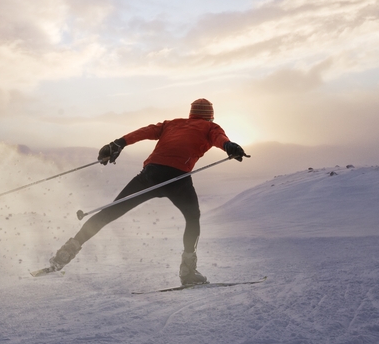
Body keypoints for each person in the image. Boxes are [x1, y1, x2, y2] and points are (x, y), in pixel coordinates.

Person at [47, 98, 247, 285]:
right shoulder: (211, 127)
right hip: (178, 179)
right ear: (210, 116)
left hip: (151, 175)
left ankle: (66, 253)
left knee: (109, 213)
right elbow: (220, 138)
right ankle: (188, 272)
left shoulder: (172, 123)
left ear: (191, 114)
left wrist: (118, 143)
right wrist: (229, 146)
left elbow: (145, 131)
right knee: (192, 218)